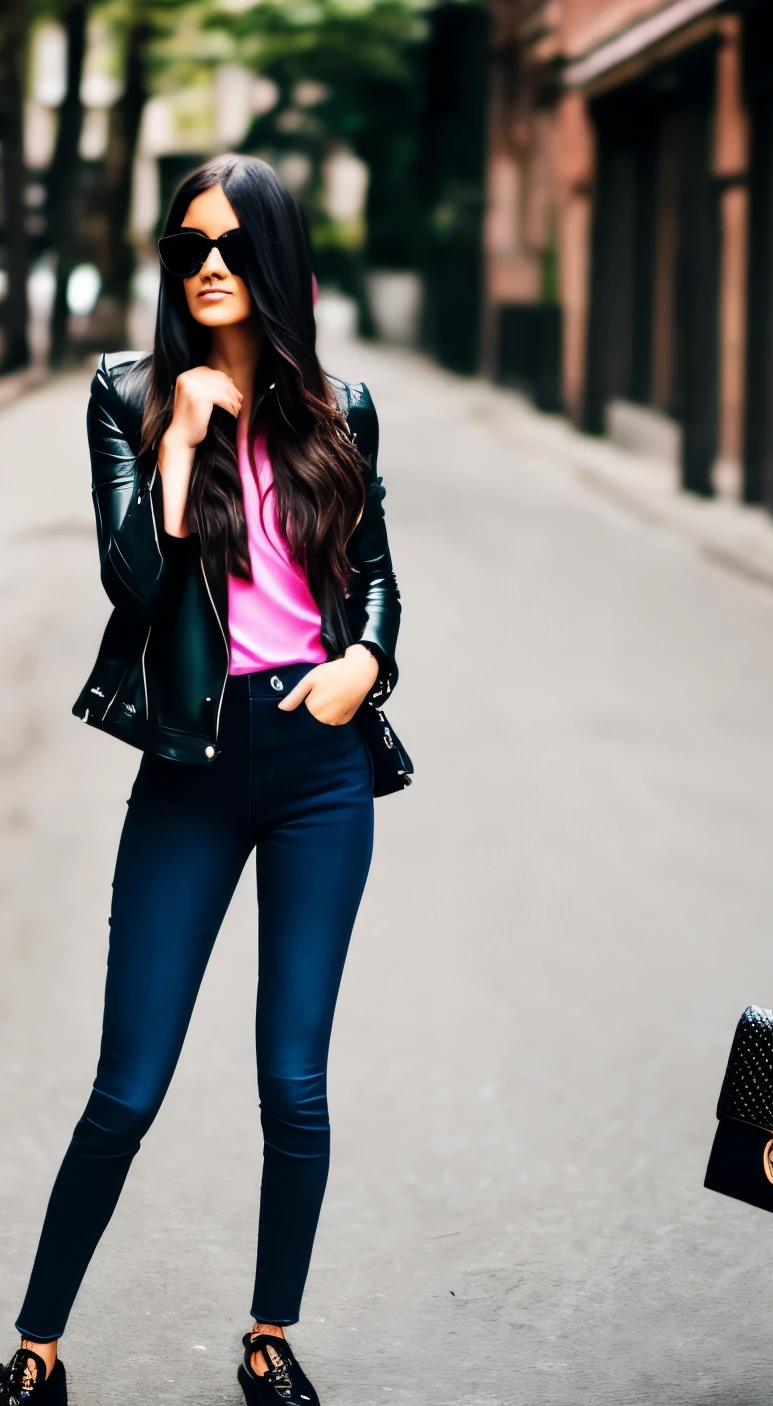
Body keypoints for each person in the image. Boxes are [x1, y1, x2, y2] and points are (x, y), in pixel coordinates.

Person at [3, 154, 402, 1406]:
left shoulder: (345, 408)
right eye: (188, 248)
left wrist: (367, 665)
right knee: (130, 1082)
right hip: (193, 760)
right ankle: (35, 1346)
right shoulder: (125, 397)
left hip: (318, 761)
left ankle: (269, 1336)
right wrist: (178, 440)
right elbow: (136, 581)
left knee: (295, 1080)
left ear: (275, 258)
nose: (210, 266)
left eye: (232, 246)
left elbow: (378, 569)